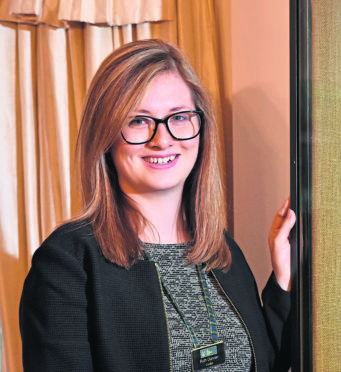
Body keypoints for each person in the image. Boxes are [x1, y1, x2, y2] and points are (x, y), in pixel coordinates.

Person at [19, 39, 296, 372]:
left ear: (201, 128)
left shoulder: (221, 252)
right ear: (105, 136)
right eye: (138, 121)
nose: (162, 139)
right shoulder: (67, 261)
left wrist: (283, 278)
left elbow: (265, 363)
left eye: (179, 117)